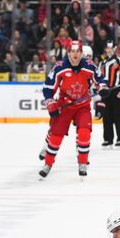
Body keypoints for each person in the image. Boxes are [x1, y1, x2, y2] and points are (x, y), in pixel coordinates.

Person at [39, 41, 109, 178]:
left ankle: (82, 163)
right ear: (68, 53)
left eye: (78, 51)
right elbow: (48, 88)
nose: (75, 54)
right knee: (56, 136)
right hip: (65, 105)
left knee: (84, 133)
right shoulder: (60, 67)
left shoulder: (89, 66)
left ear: (81, 53)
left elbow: (101, 80)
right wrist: (51, 103)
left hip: (83, 106)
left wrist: (103, 88)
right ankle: (47, 164)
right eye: (72, 51)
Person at [98, 41, 120, 148]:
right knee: (106, 117)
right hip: (106, 92)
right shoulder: (102, 63)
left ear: (114, 49)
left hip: (117, 91)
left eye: (111, 48)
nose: (109, 50)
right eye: (107, 48)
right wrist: (99, 89)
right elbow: (99, 78)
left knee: (119, 116)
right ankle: (108, 139)